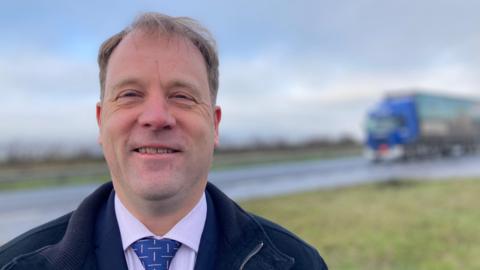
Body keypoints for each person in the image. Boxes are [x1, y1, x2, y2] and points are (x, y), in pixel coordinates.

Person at [0, 12, 328, 270]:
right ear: (101, 122)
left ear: (214, 125)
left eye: (182, 96)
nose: (156, 116)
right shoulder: (13, 264)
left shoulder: (300, 264)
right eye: (130, 94)